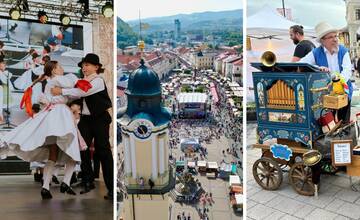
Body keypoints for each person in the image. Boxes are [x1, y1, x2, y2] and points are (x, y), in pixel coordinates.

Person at [0, 61, 82, 199]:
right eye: (60, 67)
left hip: (52, 114)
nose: (63, 68)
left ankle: (46, 187)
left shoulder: (50, 82)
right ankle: (66, 182)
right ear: (54, 70)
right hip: (61, 114)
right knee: (73, 148)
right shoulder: (57, 79)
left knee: (53, 153)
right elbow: (73, 86)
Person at [51, 53, 113, 200]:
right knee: (81, 148)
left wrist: (61, 91)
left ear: (96, 67)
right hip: (86, 119)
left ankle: (110, 187)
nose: (84, 68)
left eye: (87, 65)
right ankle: (88, 180)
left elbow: (81, 92)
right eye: (83, 65)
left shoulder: (98, 80)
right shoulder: (82, 81)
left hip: (99, 119)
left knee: (103, 151)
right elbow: (76, 94)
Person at [300, 22, 353, 122]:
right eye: (331, 37)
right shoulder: (316, 52)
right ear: (322, 41)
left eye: (335, 36)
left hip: (343, 91)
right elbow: (302, 64)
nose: (335, 39)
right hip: (325, 93)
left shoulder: (343, 51)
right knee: (328, 122)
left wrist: (337, 82)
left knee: (344, 122)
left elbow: (347, 70)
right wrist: (317, 68)